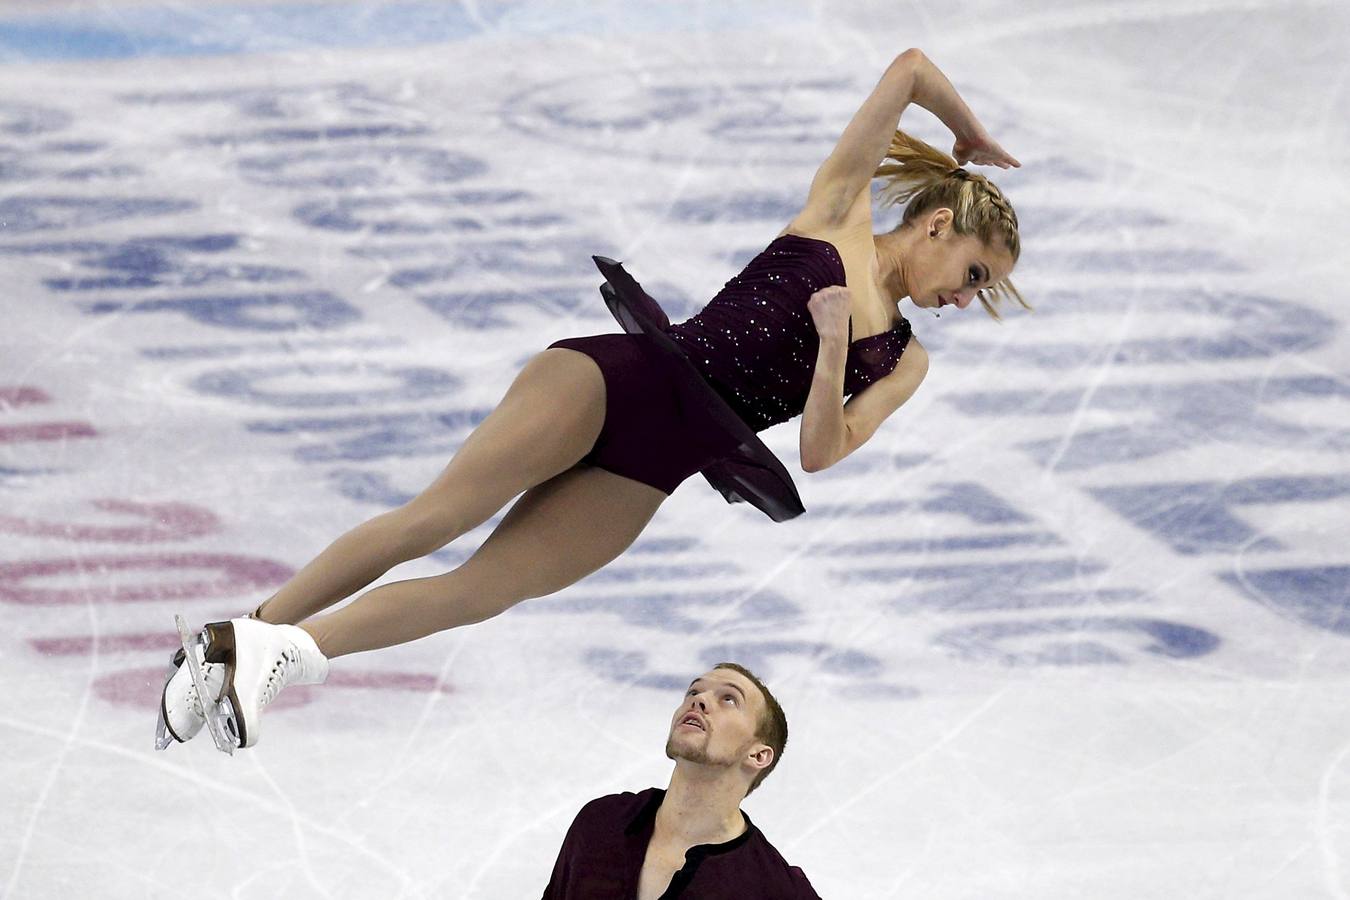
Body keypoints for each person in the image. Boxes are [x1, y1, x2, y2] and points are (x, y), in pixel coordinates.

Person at [155, 47, 1024, 752]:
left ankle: (253, 650)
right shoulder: (836, 211)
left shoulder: (901, 360)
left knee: (480, 590)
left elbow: (821, 451)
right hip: (612, 383)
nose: (965, 296)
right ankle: (250, 635)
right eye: (975, 274)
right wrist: (970, 132)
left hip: (659, 464)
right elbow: (908, 69)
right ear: (940, 225)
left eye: (982, 291)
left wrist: (835, 344)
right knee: (436, 520)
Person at [542, 663, 817, 899]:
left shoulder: (774, 889)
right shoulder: (600, 824)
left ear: (758, 754)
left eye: (729, 699)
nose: (699, 700)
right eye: (694, 691)